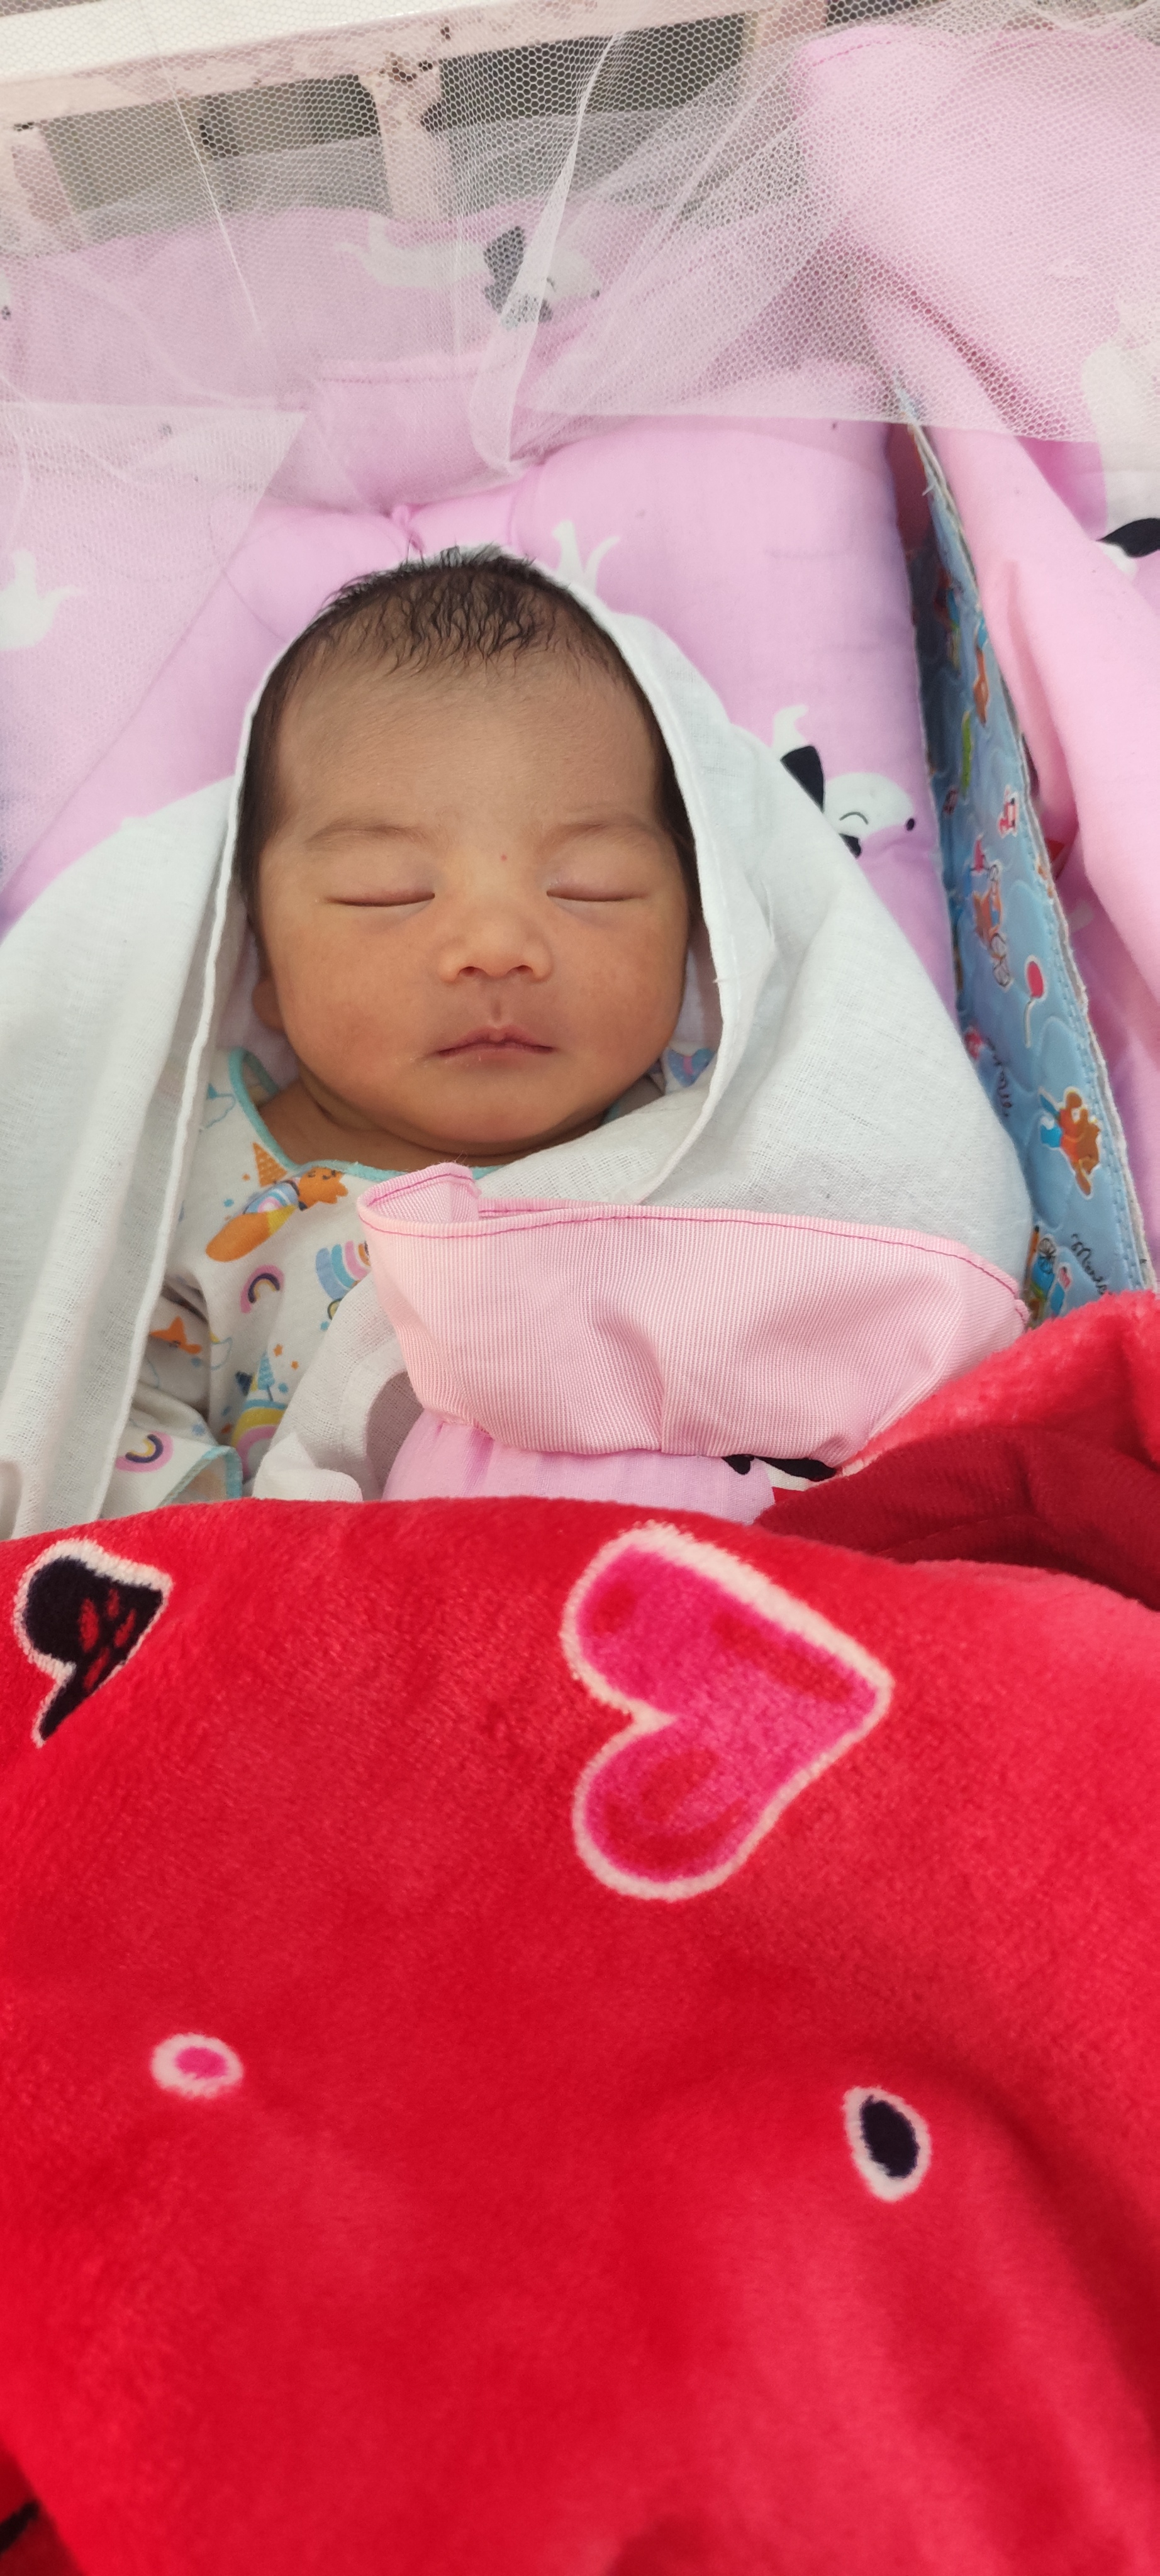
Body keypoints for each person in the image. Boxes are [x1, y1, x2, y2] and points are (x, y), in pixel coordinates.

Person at [105, 549, 1032, 1521]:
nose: (498, 948)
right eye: (388, 893)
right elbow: (92, 1420)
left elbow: (866, 1338)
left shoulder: (727, 1145)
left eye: (592, 889)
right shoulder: (178, 1176)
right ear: (256, 957)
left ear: (701, 930)